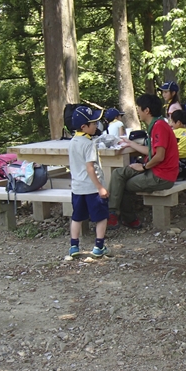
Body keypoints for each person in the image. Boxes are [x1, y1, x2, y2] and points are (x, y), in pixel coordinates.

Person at [108, 94, 179, 229]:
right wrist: (130, 143)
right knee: (118, 174)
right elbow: (151, 151)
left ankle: (124, 218)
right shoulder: (158, 124)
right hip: (156, 169)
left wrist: (144, 167)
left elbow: (159, 156)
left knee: (126, 184)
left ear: (147, 110)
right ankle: (112, 213)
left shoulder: (159, 126)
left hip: (162, 175)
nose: (138, 112)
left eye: (139, 108)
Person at [68, 106, 110, 258]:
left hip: (77, 187)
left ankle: (74, 246)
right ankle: (99, 246)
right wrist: (100, 187)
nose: (96, 126)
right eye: (93, 123)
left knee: (77, 217)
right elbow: (90, 168)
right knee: (101, 216)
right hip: (92, 188)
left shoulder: (72, 142)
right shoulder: (88, 144)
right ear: (84, 127)